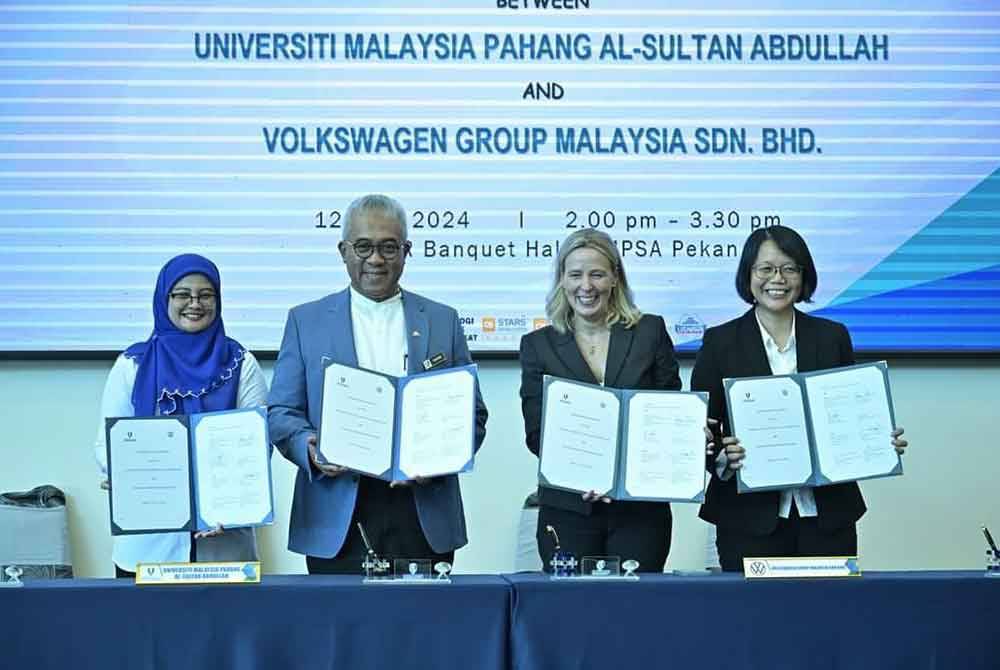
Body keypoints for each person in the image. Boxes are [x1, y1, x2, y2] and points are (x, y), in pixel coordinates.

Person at [268, 194, 488, 574]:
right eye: (363, 246)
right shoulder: (306, 322)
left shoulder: (442, 320)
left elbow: (473, 414)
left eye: (389, 247)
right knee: (339, 630)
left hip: (422, 508)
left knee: (424, 630)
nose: (376, 259)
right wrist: (310, 448)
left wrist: (441, 456)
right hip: (336, 511)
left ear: (406, 251)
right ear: (343, 251)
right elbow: (282, 412)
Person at [691, 226, 908, 572]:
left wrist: (879, 442)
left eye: (789, 268)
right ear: (748, 275)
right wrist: (722, 458)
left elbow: (848, 414)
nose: (777, 278)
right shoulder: (720, 342)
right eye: (765, 268)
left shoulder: (832, 336)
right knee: (752, 622)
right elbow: (701, 432)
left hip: (827, 518)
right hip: (748, 519)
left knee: (827, 619)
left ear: (803, 275)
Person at [519, 229, 696, 573]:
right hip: (569, 508)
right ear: (561, 280)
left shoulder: (650, 332)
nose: (586, 286)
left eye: (597, 274)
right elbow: (537, 432)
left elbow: (670, 414)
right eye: (575, 275)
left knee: (636, 611)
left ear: (615, 277)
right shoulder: (537, 345)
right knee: (571, 615)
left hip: (640, 509)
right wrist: (585, 473)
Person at [94, 254, 268, 577]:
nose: (195, 303)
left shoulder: (242, 364)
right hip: (147, 547)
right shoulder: (132, 365)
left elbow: (257, 448)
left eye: (206, 294)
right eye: (182, 294)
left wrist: (227, 505)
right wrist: (122, 471)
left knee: (224, 629)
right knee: (146, 629)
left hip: (224, 547)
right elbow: (108, 445)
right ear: (164, 299)